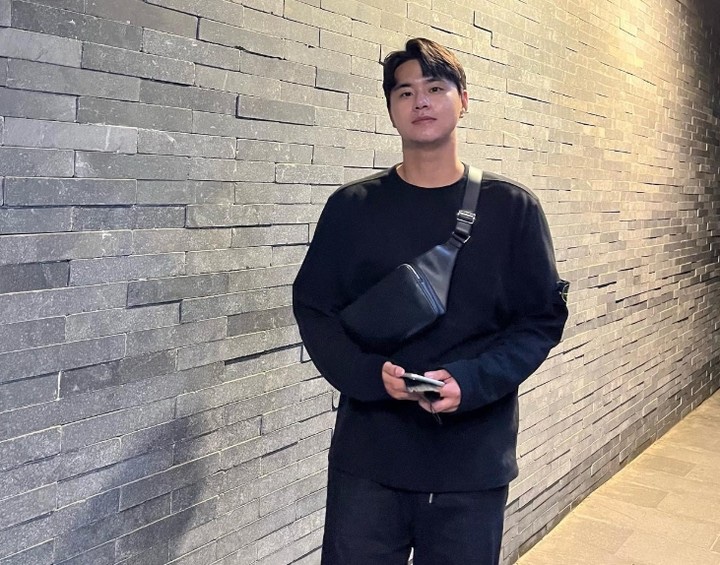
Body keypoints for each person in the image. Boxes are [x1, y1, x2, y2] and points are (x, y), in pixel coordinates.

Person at [292, 37, 569, 565]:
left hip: (471, 463)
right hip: (370, 458)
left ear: (463, 100)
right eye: (405, 91)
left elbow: (539, 321)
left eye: (436, 87)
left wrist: (473, 380)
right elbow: (315, 308)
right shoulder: (352, 208)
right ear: (390, 108)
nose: (420, 100)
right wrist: (370, 375)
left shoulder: (512, 209)